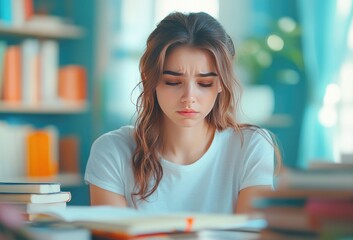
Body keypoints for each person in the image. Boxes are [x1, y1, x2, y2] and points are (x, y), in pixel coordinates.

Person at [85, 11, 281, 214]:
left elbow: (253, 233)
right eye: (173, 82)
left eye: (204, 83)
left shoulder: (250, 146)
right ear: (148, 79)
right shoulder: (112, 151)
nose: (189, 96)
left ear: (221, 83)